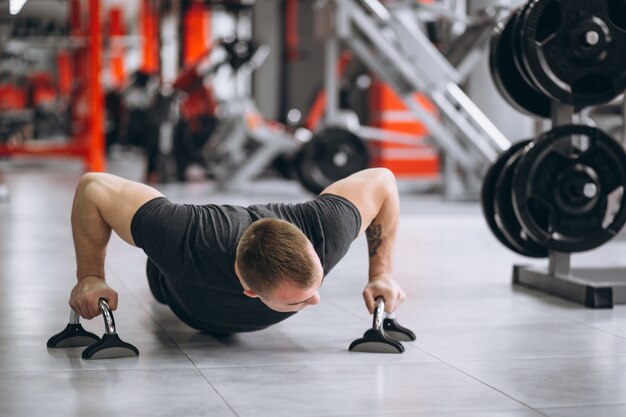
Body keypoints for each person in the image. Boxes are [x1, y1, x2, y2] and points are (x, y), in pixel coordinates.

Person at [68, 168, 406, 334]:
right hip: (179, 295)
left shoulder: (325, 230)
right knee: (159, 279)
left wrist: (382, 274)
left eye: (314, 286)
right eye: (298, 300)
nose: (316, 299)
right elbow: (93, 188)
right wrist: (90, 277)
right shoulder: (183, 237)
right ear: (248, 290)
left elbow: (383, 181)